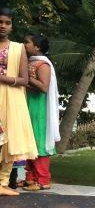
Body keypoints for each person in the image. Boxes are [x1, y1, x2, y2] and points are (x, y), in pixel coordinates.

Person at [0, 7, 37, 196]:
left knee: (9, 140)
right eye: (0, 22)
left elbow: (24, 80)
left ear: (12, 26)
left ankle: (3, 183)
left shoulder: (18, 48)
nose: (3, 26)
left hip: (11, 97)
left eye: (7, 23)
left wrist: (3, 78)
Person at [22, 33, 60, 191]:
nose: (23, 45)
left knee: (39, 143)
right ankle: (30, 178)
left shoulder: (43, 65)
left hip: (40, 108)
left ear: (37, 47)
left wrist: (26, 78)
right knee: (28, 142)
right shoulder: (30, 62)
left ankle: (43, 180)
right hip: (29, 104)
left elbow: (44, 87)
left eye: (27, 42)